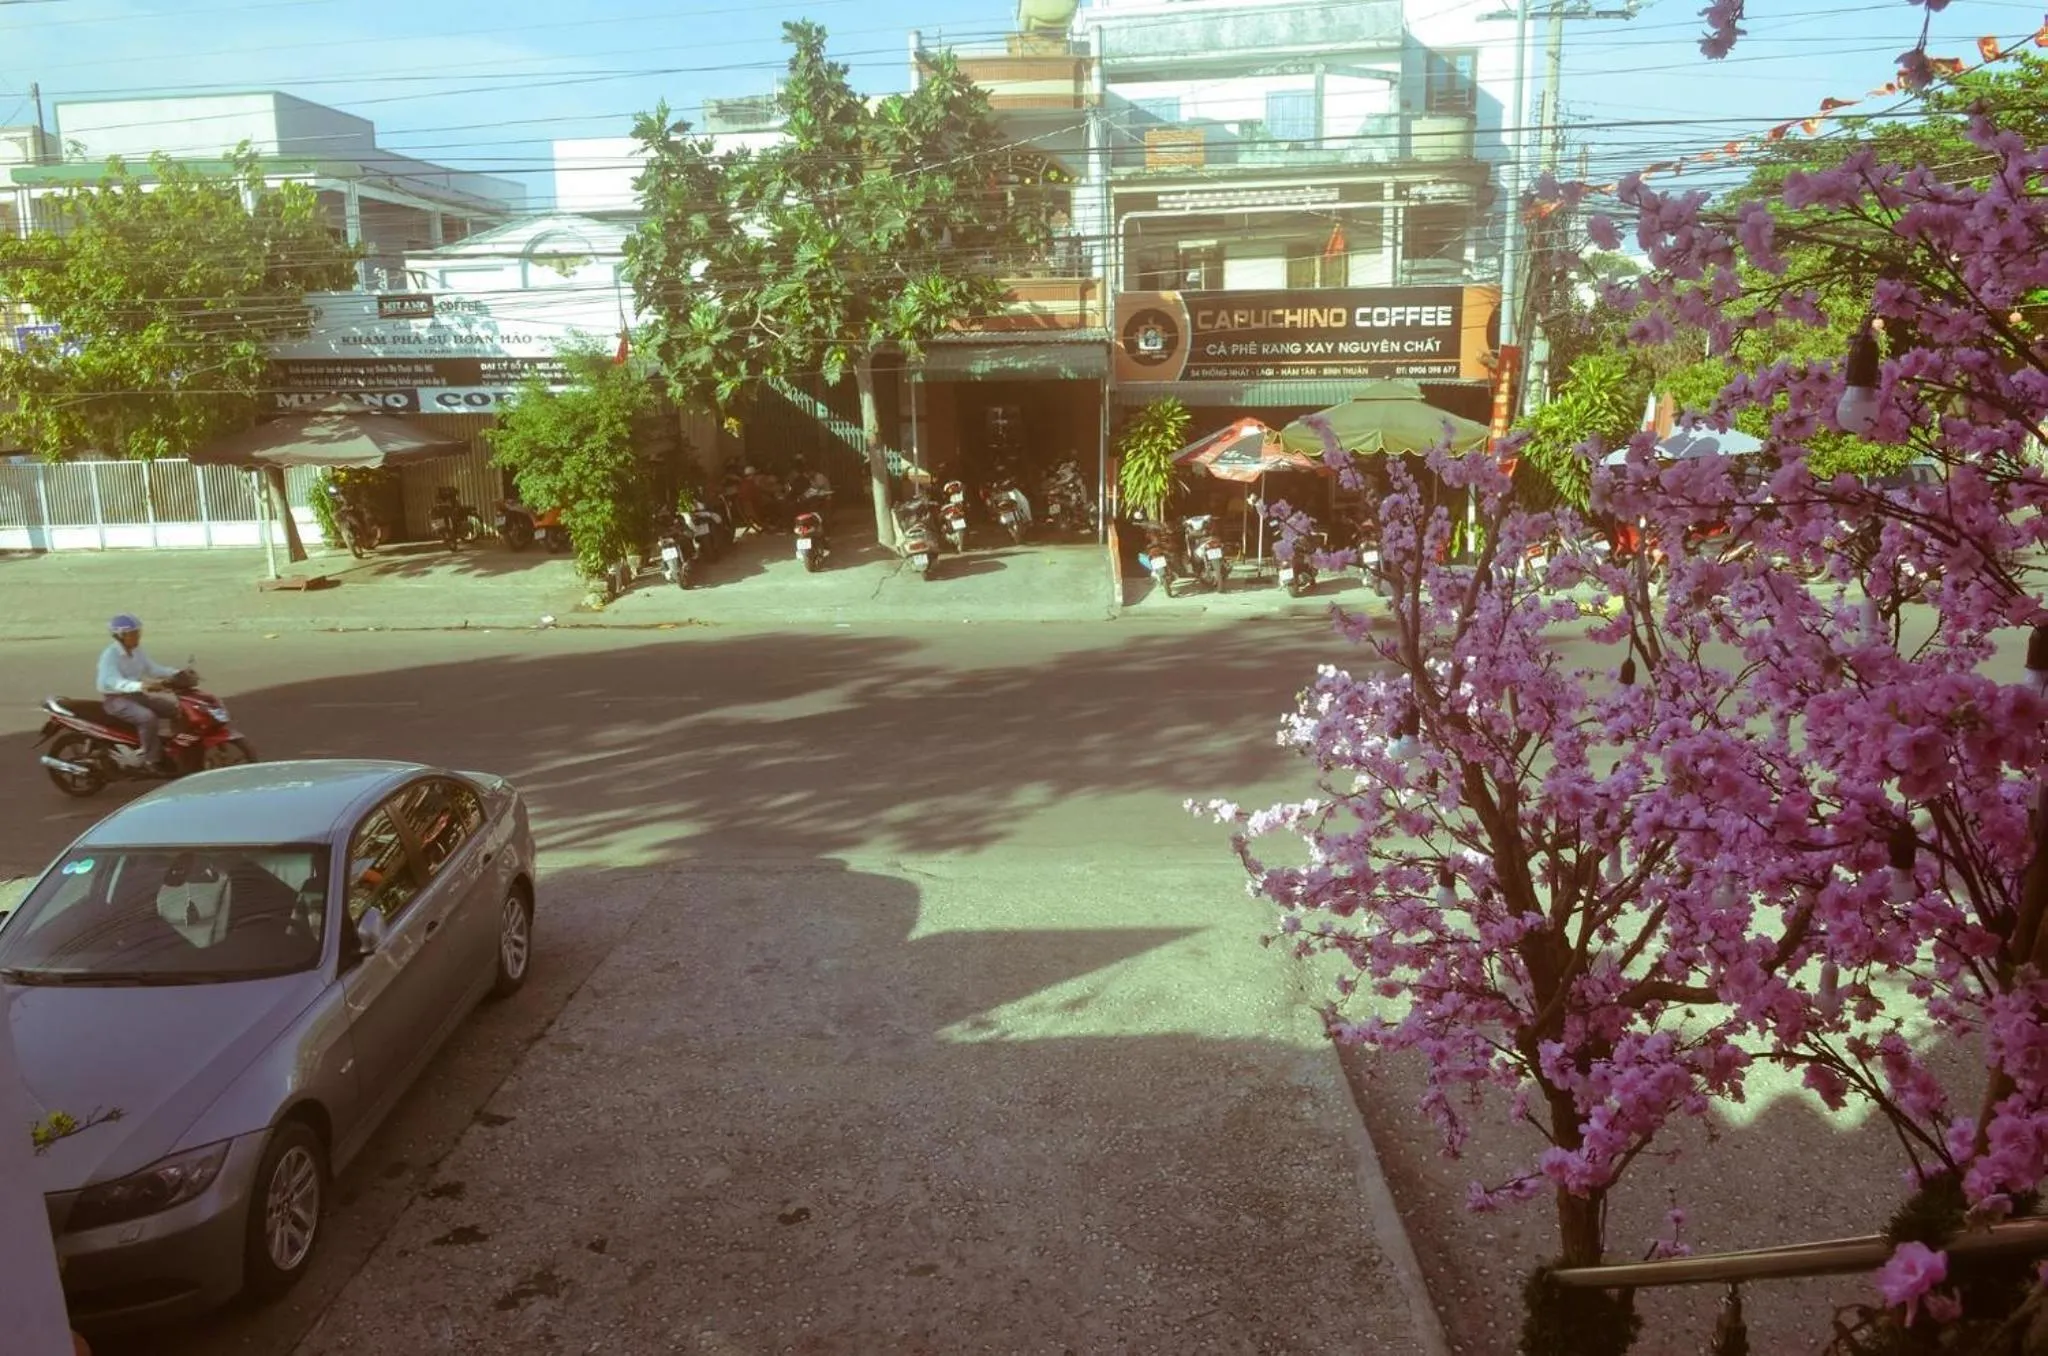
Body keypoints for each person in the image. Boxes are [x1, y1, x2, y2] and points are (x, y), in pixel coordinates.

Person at [97, 615, 182, 770]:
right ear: (121, 636)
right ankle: (151, 760)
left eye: (138, 632)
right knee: (147, 718)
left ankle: (178, 749)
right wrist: (141, 686)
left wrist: (177, 673)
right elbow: (112, 682)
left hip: (136, 695)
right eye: (133, 634)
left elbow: (152, 669)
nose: (138, 636)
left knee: (175, 708)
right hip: (116, 700)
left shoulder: (137, 650)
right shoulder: (110, 655)